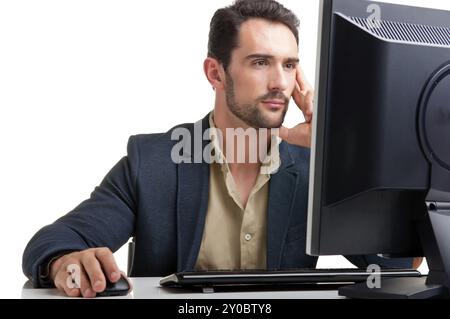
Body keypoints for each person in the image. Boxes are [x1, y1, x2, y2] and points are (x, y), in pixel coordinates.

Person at [22, 0, 418, 298]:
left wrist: (350, 151)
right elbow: (53, 241)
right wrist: (66, 261)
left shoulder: (317, 167)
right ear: (216, 72)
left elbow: (396, 266)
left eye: (289, 65)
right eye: (261, 62)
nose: (280, 82)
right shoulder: (155, 162)